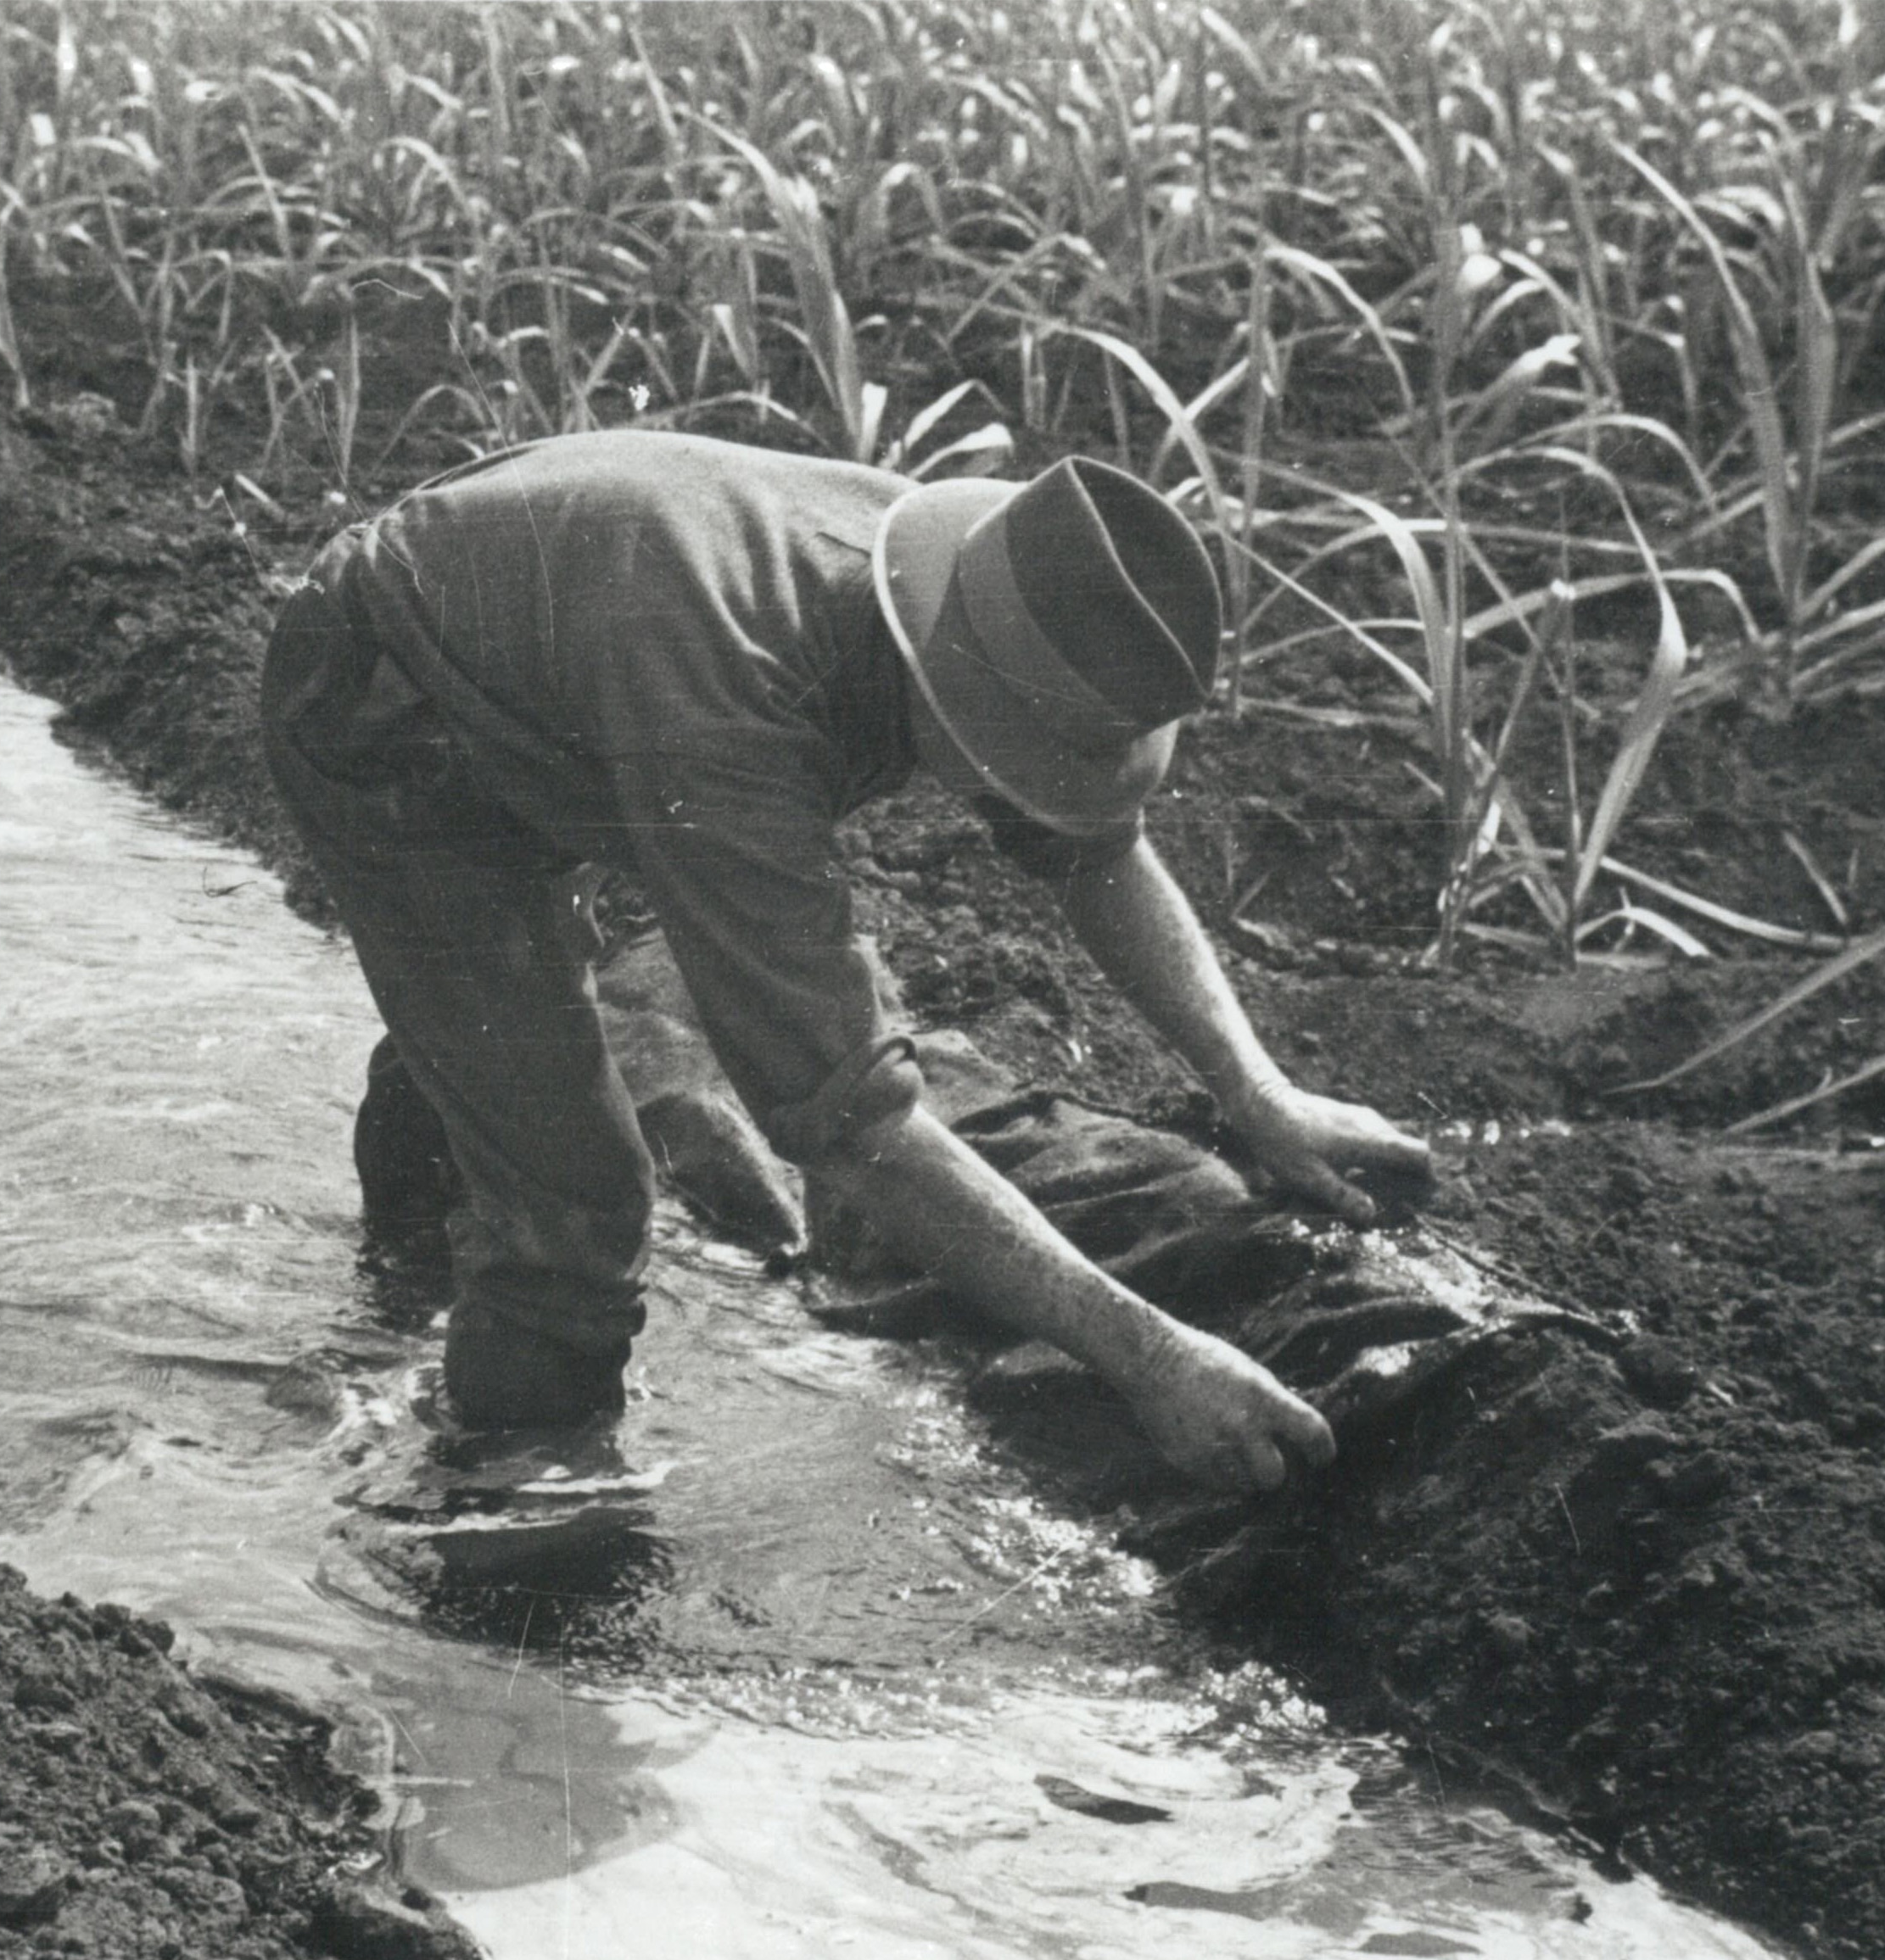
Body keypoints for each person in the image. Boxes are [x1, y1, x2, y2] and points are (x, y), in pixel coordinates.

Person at [260, 431, 1433, 1491]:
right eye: (1009, 754)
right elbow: (848, 1127)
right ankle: (493, 1517)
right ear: (939, 679)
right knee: (574, 1215)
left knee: (509, 1041)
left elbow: (1097, 852)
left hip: (571, 639)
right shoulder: (732, 714)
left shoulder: (991, 592)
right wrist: (1146, 1354)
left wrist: (1256, 1092)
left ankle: (445, 1158)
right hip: (388, 689)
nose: (1018, 782)